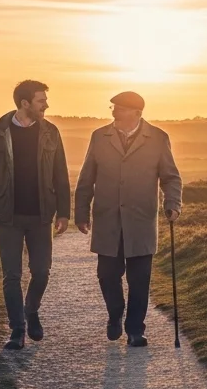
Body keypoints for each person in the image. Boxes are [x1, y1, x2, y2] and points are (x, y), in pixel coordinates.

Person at [75, 91, 182, 347]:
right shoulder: (99, 137)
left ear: (137, 112)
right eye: (113, 107)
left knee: (139, 279)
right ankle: (115, 314)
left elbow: (171, 177)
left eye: (120, 108)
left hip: (141, 220)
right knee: (106, 275)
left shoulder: (158, 138)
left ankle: (135, 329)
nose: (114, 112)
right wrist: (81, 212)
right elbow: (86, 177)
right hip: (107, 219)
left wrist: (172, 203)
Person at [0, 80, 70, 350]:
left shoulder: (51, 132)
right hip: (8, 216)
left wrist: (64, 212)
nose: (46, 105)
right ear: (25, 103)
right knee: (12, 276)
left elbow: (61, 175)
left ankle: (31, 309)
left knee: (41, 272)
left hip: (41, 215)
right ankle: (17, 330)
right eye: (41, 101)